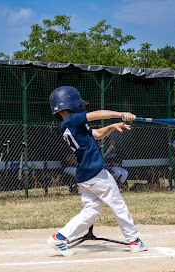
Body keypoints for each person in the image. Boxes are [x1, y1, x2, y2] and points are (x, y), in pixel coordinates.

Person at [47, 86, 147, 256]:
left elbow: (97, 134)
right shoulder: (73, 120)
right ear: (70, 103)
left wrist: (112, 126)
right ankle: (134, 240)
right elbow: (97, 114)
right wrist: (121, 114)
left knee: (90, 211)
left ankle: (59, 237)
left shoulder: (68, 125)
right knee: (118, 204)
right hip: (96, 173)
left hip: (85, 175)